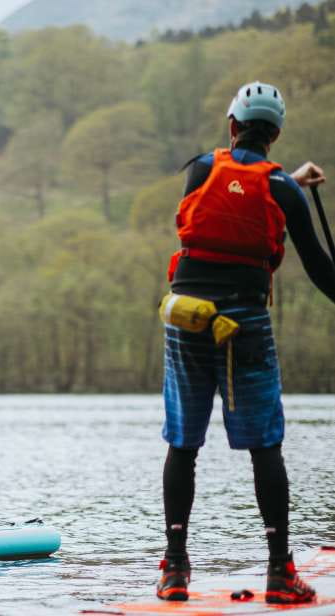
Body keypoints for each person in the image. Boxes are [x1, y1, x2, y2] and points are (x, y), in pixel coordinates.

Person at [158, 81, 334, 604]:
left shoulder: (199, 168)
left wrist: (287, 184)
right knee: (264, 447)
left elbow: (229, 198)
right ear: (275, 135)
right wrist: (293, 186)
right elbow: (320, 267)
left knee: (183, 445)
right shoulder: (282, 188)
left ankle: (174, 571)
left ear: (232, 124)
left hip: (187, 318)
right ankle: (280, 573)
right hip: (243, 322)